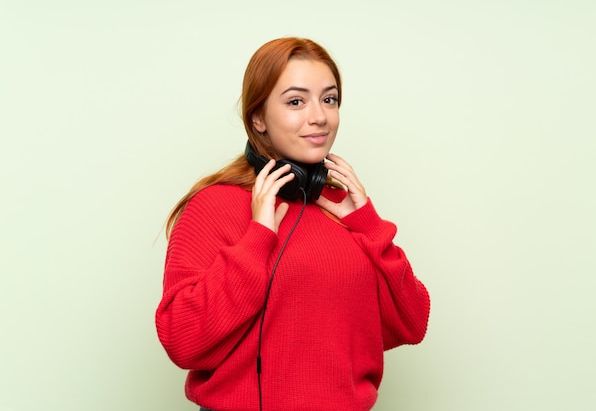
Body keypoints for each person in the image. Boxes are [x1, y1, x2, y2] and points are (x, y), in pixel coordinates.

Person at [155, 37, 430, 411]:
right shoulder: (215, 204)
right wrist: (257, 239)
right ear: (258, 118)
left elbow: (413, 322)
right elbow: (183, 340)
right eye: (296, 101)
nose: (319, 116)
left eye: (329, 99)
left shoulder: (343, 211)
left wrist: (368, 225)